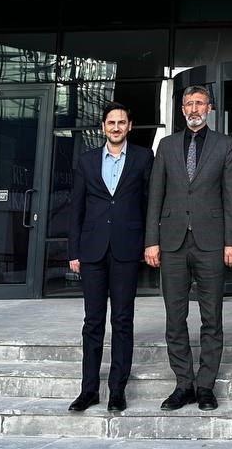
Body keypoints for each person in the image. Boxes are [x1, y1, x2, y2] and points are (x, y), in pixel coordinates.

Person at [144, 85, 232, 411]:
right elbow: (155, 195)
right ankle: (184, 384)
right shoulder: (166, 145)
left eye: (199, 103)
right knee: (175, 318)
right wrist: (151, 241)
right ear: (182, 109)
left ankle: (206, 386)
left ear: (209, 108)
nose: (194, 108)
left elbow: (230, 196)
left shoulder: (225, 145)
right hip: (172, 242)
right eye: (188, 103)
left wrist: (231, 241)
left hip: (211, 242)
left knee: (212, 318)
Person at [67, 101, 153, 413]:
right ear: (103, 127)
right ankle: (88, 390)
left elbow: (149, 204)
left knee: (122, 320)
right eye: (111, 123)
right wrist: (73, 251)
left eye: (121, 122)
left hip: (126, 248)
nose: (116, 127)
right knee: (93, 321)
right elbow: (76, 207)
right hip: (92, 250)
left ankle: (117, 390)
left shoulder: (144, 157)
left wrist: (149, 243)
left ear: (130, 126)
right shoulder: (87, 160)